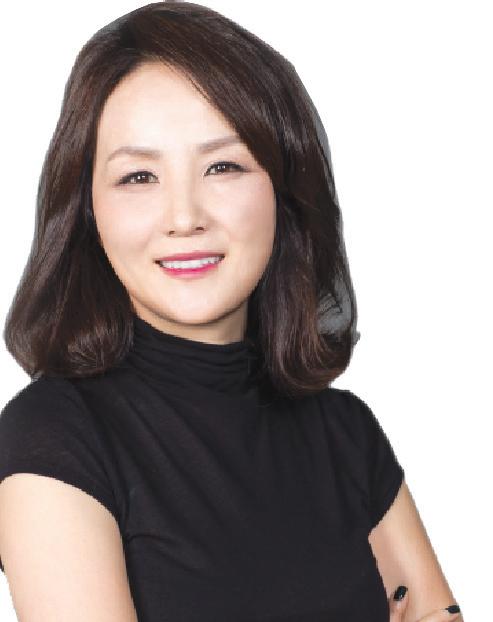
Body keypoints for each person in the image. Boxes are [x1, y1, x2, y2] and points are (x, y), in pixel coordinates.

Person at [0, 2, 462, 621]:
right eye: (138, 177)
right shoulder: (53, 436)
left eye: (223, 166)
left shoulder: (345, 433)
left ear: (283, 192)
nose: (184, 216)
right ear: (88, 211)